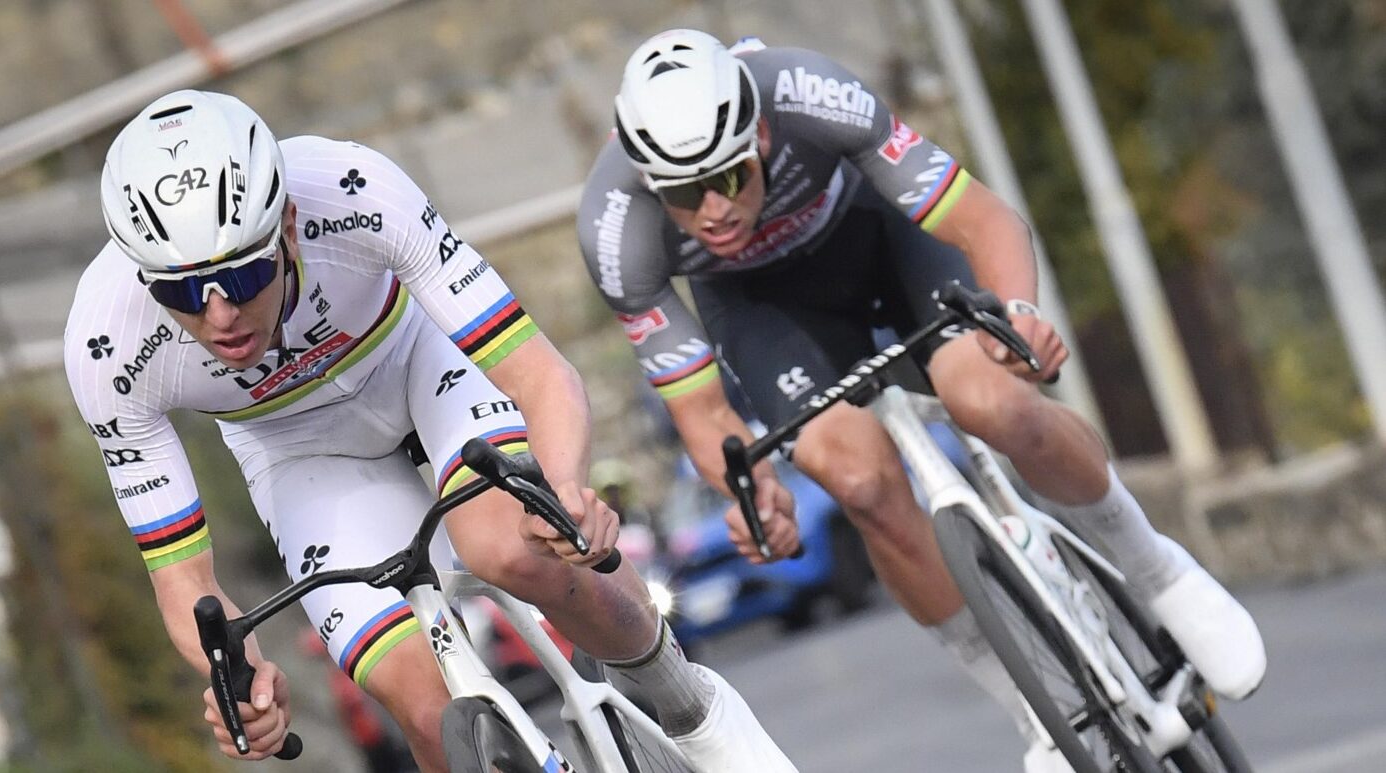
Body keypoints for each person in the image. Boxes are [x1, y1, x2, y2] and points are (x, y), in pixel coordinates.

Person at [575, 29, 1267, 771]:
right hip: (761, 308)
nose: (711, 209)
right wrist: (751, 494)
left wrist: (1018, 316)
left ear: (761, 133)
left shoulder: (808, 93)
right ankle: (1034, 709)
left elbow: (982, 221)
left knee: (989, 400)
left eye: (730, 177)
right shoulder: (615, 229)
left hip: (877, 233)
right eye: (681, 192)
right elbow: (703, 411)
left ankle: (1154, 565)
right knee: (857, 479)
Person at [66, 89, 798, 771]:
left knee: (507, 547)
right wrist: (243, 678)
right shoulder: (107, 344)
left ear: (287, 224)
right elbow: (183, 579)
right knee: (420, 706)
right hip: (295, 449)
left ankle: (686, 702)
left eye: (244, 277)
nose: (219, 315)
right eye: (182, 292)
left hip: (416, 364)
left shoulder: (351, 189)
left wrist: (566, 485)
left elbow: (538, 373)